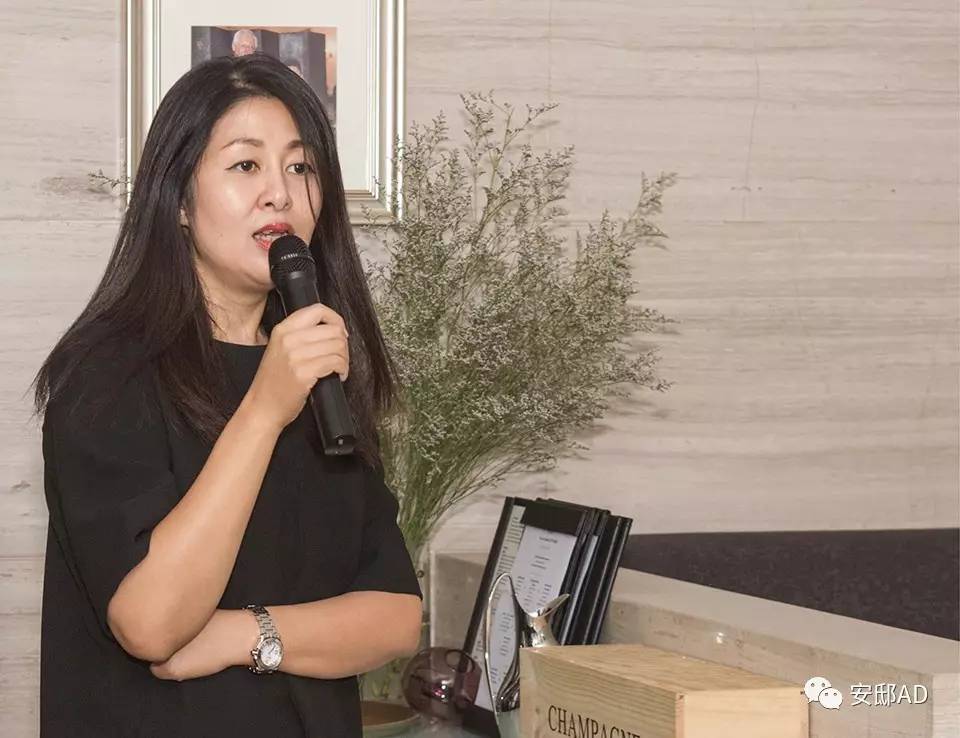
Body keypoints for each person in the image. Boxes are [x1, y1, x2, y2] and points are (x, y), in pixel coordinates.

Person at [31, 54, 423, 737]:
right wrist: (265, 410)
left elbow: (395, 617)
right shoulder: (105, 376)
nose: (280, 194)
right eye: (245, 165)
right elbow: (151, 623)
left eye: (300, 167)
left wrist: (243, 635)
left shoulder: (321, 365)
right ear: (179, 201)